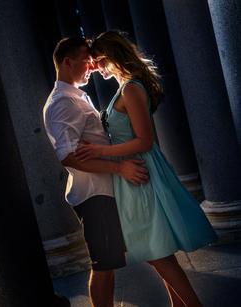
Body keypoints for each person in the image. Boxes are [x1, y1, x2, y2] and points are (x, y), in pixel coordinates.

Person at [76, 30, 218, 307]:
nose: (94, 68)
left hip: (141, 174)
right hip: (134, 173)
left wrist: (100, 151)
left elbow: (144, 139)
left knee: (157, 253)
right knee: (158, 250)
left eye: (97, 61)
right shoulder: (125, 85)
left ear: (111, 57)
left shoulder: (131, 88)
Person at [43, 37, 150, 307]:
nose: (91, 67)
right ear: (67, 62)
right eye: (85, 61)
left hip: (102, 192)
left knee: (109, 264)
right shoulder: (62, 102)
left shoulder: (76, 95)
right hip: (94, 196)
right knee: (102, 266)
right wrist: (120, 167)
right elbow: (67, 155)